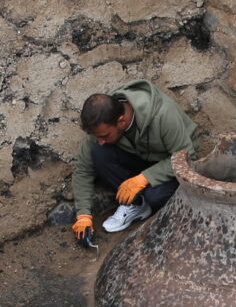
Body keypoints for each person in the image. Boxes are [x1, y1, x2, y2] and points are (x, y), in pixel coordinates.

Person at [71, 79, 199, 240]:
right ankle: (135, 204)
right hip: (140, 158)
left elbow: (186, 157)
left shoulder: (163, 115)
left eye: (105, 136)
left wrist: (144, 178)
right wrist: (83, 216)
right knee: (99, 151)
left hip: (171, 162)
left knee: (155, 197)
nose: (101, 140)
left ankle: (170, 207)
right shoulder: (102, 122)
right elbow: (84, 170)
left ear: (121, 121)